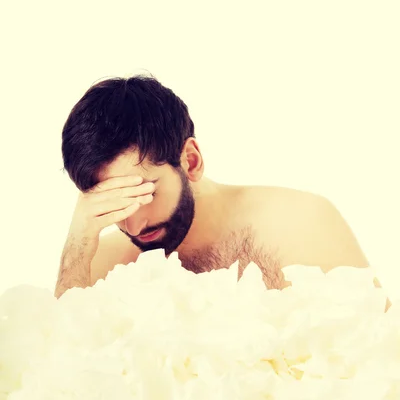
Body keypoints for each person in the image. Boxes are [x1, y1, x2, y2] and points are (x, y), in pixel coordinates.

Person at [55, 74, 391, 313]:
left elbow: (381, 362)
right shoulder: (104, 262)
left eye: (143, 193)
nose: (133, 224)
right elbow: (60, 379)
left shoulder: (298, 224)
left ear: (190, 161)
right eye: (113, 202)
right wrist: (76, 248)